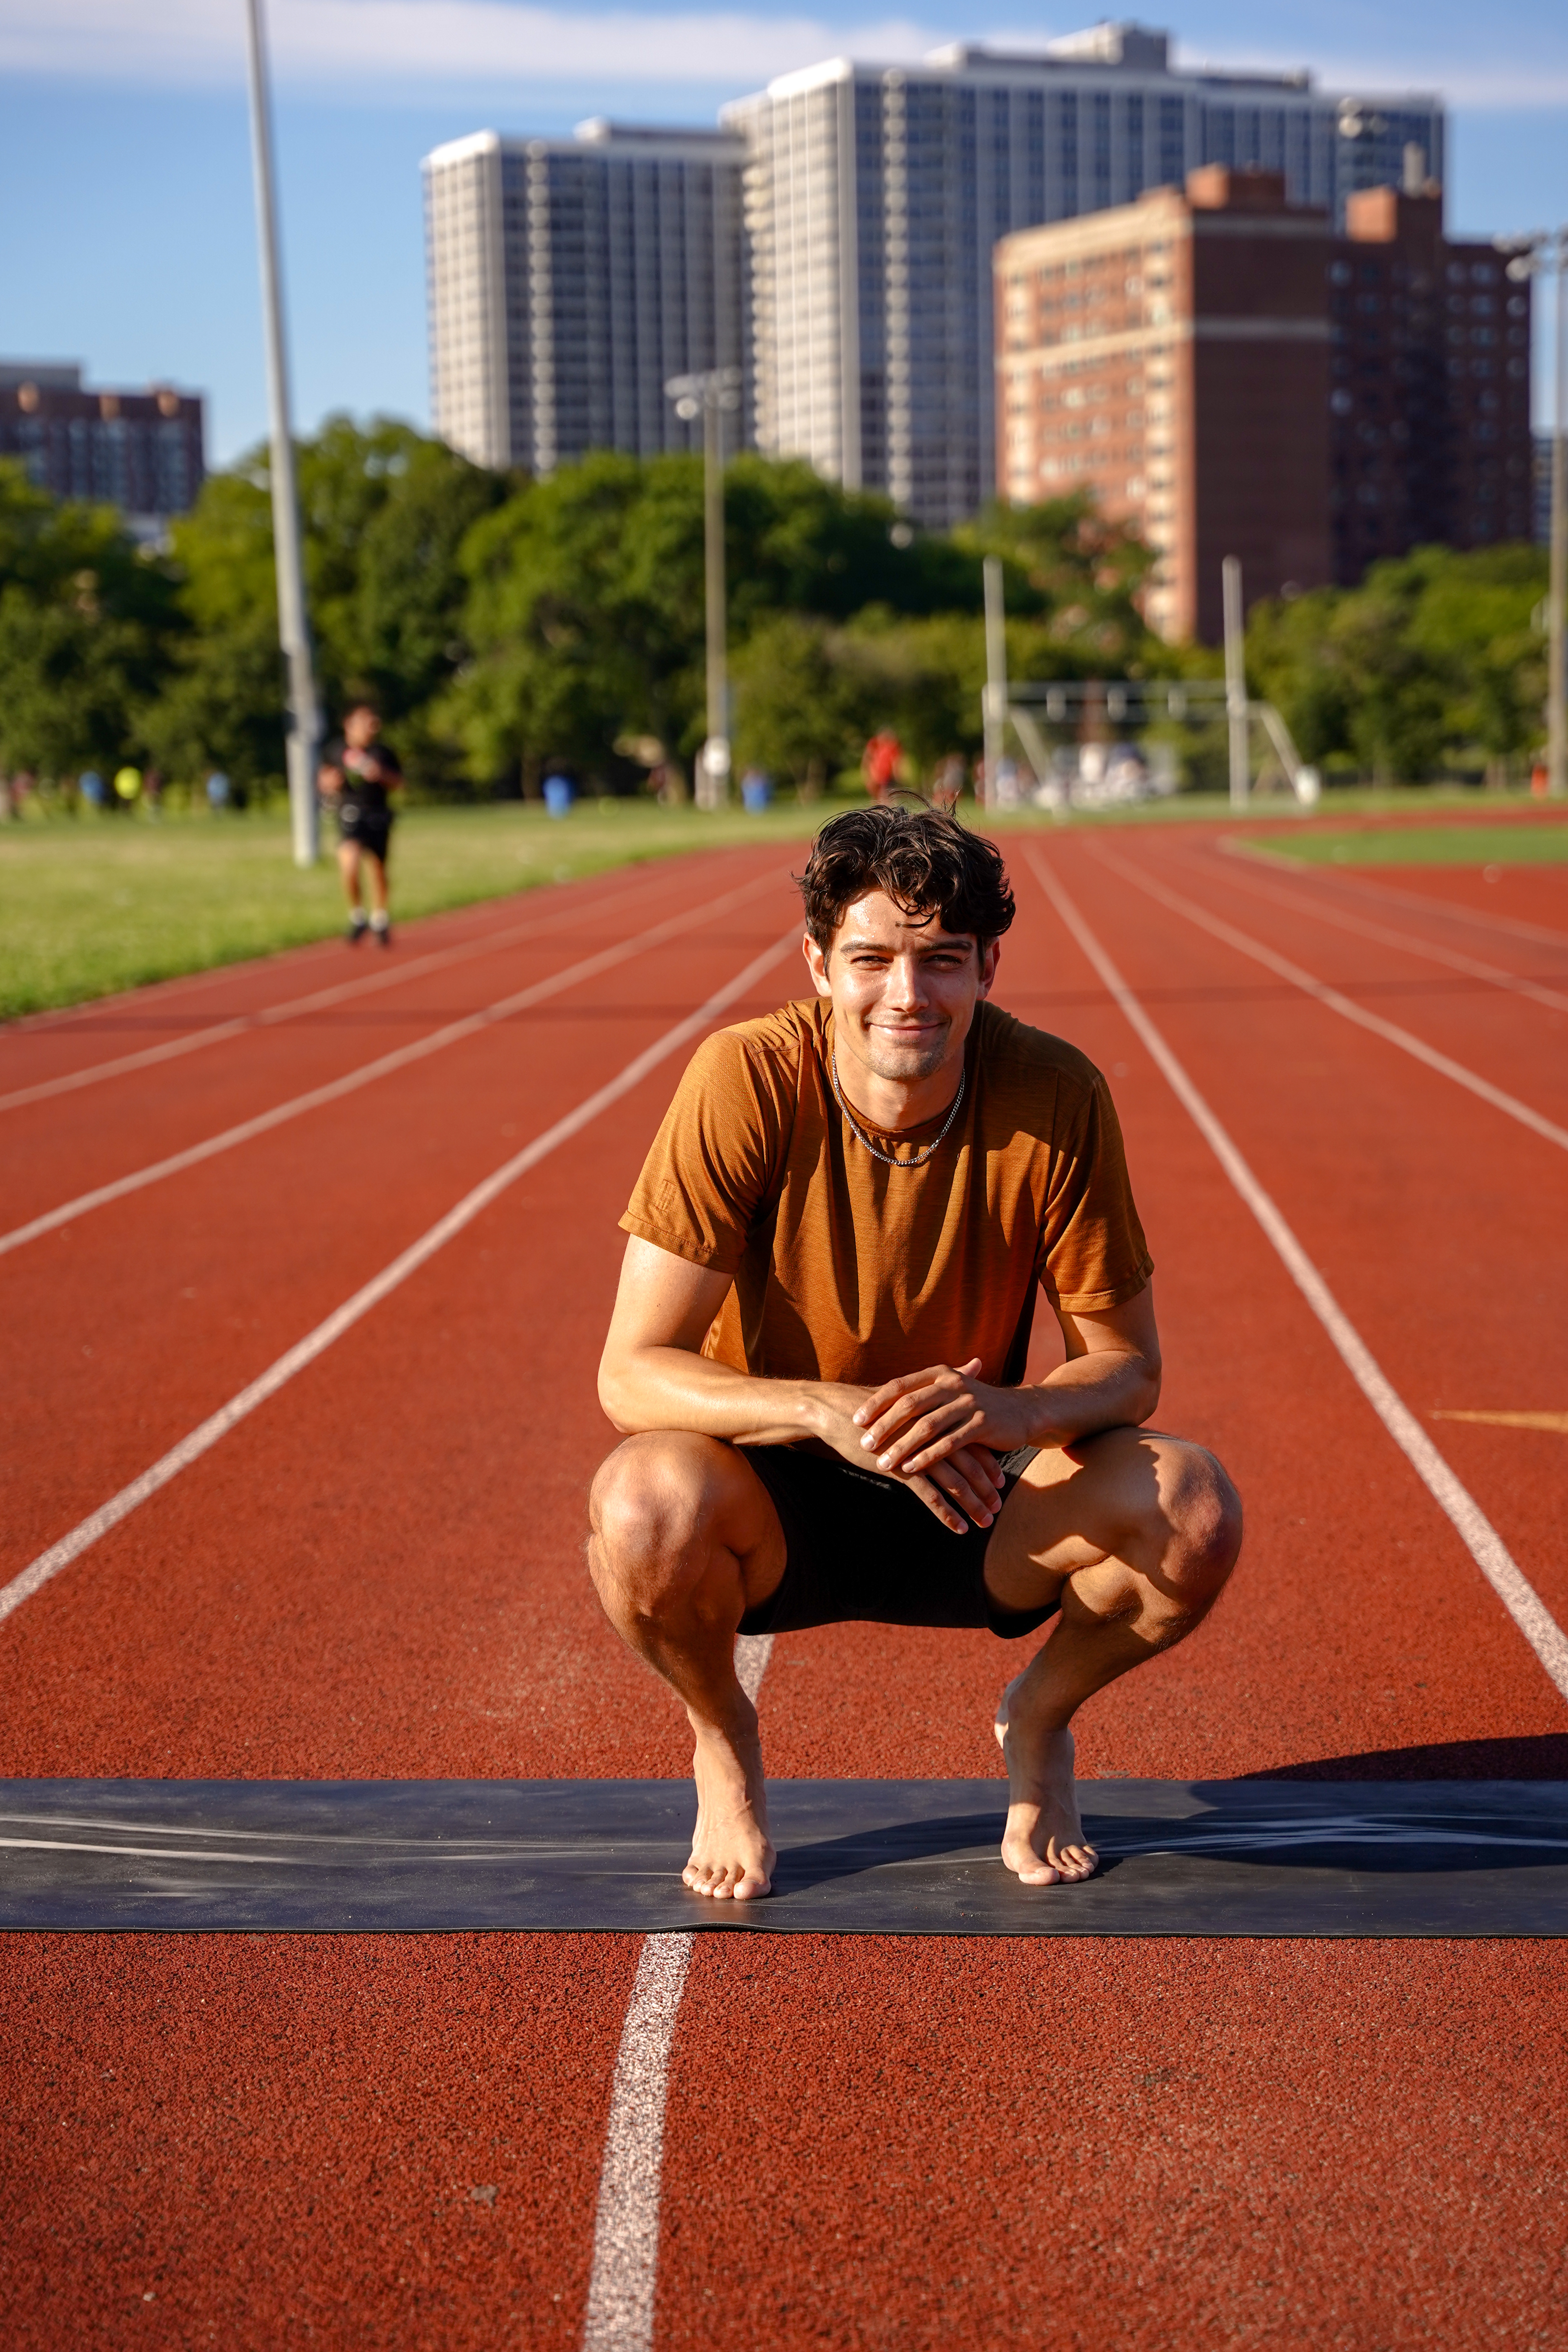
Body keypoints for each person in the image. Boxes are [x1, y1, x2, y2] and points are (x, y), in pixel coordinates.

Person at [589, 807, 1241, 1901]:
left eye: (941, 961)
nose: (908, 994)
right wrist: (825, 1410)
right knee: (642, 1508)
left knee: (1193, 1510)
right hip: (775, 1491)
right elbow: (629, 1372)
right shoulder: (743, 1078)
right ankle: (722, 1733)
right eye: (873, 959)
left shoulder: (1057, 1092)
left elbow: (1128, 1368)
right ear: (817, 963)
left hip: (975, 1489)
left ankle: (1038, 1719)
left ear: (987, 965)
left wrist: (1011, 1415)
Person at [317, 706, 402, 946]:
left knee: (378, 869)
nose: (371, 727)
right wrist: (328, 784)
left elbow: (399, 782)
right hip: (350, 815)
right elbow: (323, 779)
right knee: (350, 863)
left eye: (374, 722)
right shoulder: (336, 750)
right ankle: (357, 916)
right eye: (365, 722)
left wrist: (381, 775)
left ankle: (380, 919)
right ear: (350, 724)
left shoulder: (382, 752)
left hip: (377, 815)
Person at [861, 729, 903, 804]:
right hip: (880, 775)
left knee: (886, 797)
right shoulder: (875, 744)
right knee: (882, 797)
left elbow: (895, 763)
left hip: (886, 776)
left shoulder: (891, 747)